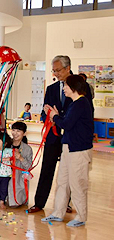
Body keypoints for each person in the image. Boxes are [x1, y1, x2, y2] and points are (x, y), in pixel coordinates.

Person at [27, 55, 94, 214]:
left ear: (67, 68)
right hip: (53, 136)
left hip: (72, 138)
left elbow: (86, 112)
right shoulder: (51, 89)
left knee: (69, 172)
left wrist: (59, 118)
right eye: (53, 70)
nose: (55, 73)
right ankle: (39, 203)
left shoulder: (81, 87)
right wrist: (48, 118)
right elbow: (45, 111)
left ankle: (66, 203)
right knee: (47, 169)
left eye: (58, 70)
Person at [41, 75, 93, 227]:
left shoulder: (81, 103)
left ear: (74, 88)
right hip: (68, 147)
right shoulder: (74, 104)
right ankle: (58, 212)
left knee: (77, 184)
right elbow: (67, 120)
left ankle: (81, 216)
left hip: (78, 150)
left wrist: (55, 116)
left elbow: (66, 124)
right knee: (62, 181)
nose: (63, 88)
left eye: (66, 86)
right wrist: (55, 114)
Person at [0, 122, 33, 208]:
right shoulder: (5, 143)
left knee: (13, 204)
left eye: (18, 131)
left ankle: (7, 196)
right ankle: (3, 195)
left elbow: (28, 167)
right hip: (1, 176)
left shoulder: (27, 149)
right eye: (13, 130)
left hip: (16, 181)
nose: (15, 133)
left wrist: (20, 158)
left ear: (24, 133)